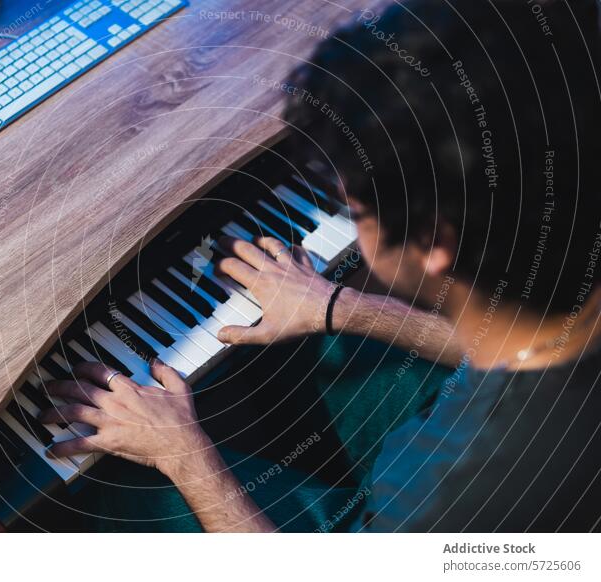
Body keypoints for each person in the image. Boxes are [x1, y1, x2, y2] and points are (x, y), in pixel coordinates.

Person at [40, 0, 601, 532]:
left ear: (433, 242)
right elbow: (529, 344)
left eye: (352, 205)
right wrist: (339, 305)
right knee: (319, 353)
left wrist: (179, 450)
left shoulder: (450, 497)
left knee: (108, 485)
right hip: (457, 413)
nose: (351, 215)